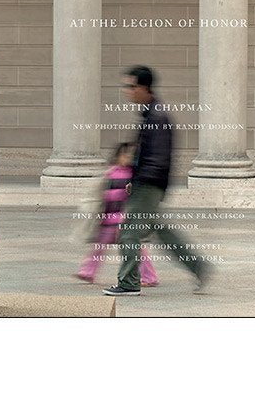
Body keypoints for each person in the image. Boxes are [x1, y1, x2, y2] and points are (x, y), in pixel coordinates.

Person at [104, 66, 209, 296]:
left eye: (131, 87)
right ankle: (199, 266)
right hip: (149, 184)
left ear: (143, 87)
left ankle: (129, 283)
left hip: (149, 185)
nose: (127, 92)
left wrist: (140, 182)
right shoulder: (150, 113)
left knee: (129, 232)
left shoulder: (157, 116)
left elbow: (158, 159)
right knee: (162, 231)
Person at [74, 141, 158, 286]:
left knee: (137, 249)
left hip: (125, 220)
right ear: (118, 156)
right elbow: (101, 193)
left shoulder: (134, 175)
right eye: (124, 155)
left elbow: (134, 197)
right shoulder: (111, 173)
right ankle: (88, 272)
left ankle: (149, 277)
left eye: (131, 156)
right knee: (99, 247)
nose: (127, 158)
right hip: (109, 219)